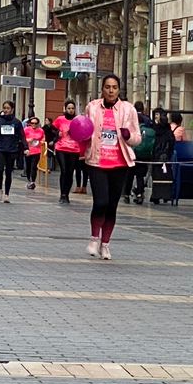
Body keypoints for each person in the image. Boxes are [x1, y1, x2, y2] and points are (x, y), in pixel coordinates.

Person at [83, 75, 139, 260]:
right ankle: (93, 238)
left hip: (119, 162)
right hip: (97, 161)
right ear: (102, 89)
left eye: (114, 87)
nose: (111, 90)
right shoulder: (92, 107)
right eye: (107, 87)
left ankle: (105, 244)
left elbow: (137, 138)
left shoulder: (128, 109)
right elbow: (85, 129)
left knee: (112, 206)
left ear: (119, 90)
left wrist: (128, 135)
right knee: (100, 202)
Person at [0, 100, 26, 203]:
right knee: (0, 170)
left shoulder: (16, 122)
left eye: (8, 108)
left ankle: (7, 194)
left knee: (9, 172)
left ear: (12, 109)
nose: (6, 110)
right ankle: (0, 188)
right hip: (0, 148)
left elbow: (22, 135)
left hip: (12, 149)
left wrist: (26, 148)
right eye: (4, 108)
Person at [53, 100, 84, 202]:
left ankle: (66, 194)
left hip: (74, 149)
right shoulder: (60, 119)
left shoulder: (78, 120)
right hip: (61, 148)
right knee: (64, 170)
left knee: (70, 172)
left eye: (72, 108)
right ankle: (62, 194)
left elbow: (83, 133)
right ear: (65, 109)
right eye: (69, 108)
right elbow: (51, 130)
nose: (71, 110)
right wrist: (58, 134)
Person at [23, 113, 46, 189]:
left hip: (37, 150)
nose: (34, 125)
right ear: (30, 123)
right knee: (28, 166)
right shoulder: (26, 129)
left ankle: (33, 181)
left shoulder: (41, 130)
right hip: (28, 150)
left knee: (34, 166)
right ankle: (29, 180)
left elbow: (43, 138)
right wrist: (29, 140)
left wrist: (41, 142)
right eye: (32, 123)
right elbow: (22, 139)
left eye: (36, 123)